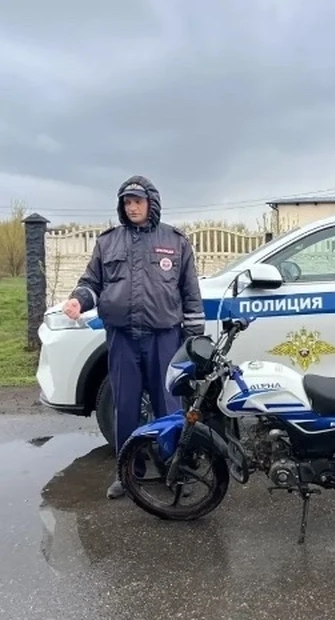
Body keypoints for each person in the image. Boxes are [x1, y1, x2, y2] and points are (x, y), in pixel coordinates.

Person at [62, 175, 204, 499]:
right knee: (125, 408)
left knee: (169, 407)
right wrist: (78, 301)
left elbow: (190, 294)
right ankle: (128, 473)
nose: (132, 207)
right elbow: (91, 283)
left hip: (163, 338)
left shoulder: (175, 241)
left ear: (151, 203)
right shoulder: (108, 242)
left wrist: (193, 339)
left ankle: (175, 470)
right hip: (123, 339)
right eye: (127, 202)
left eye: (137, 201)